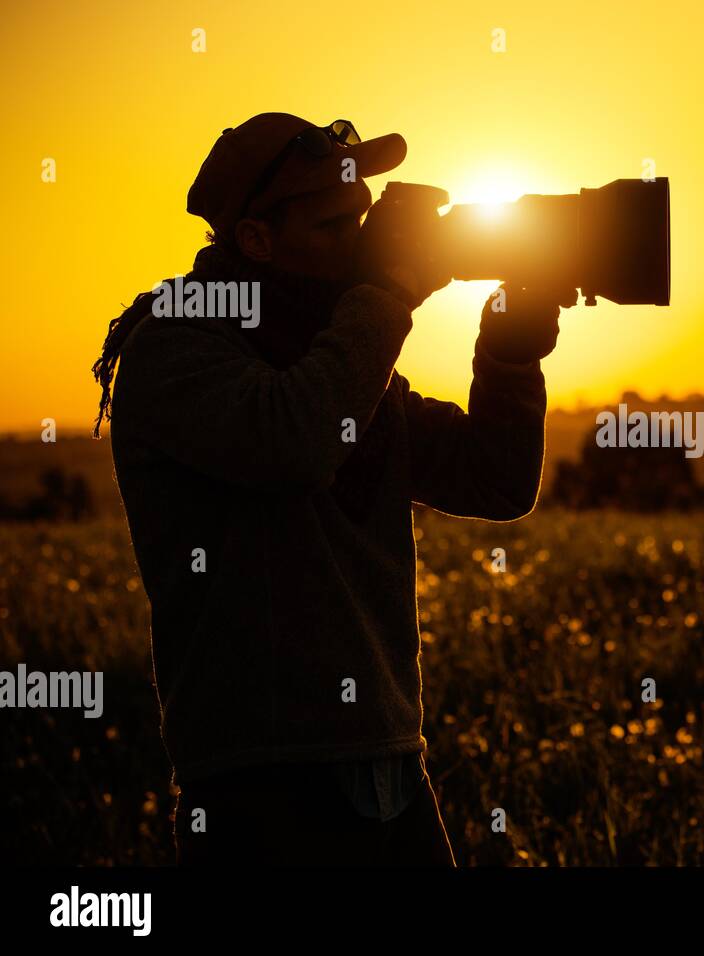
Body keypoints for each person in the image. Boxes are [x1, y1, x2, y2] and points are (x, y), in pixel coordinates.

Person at [90, 113, 573, 865]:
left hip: (390, 769)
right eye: (334, 226)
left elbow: (495, 481)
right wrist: (388, 292)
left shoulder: (337, 355)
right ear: (255, 239)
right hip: (260, 787)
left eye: (364, 221)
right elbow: (298, 441)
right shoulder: (176, 345)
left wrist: (510, 354)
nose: (363, 243)